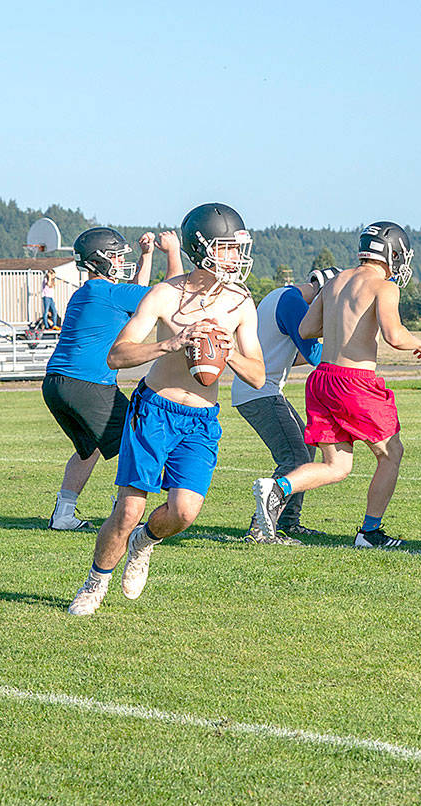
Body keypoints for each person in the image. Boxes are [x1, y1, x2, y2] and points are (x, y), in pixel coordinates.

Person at [67, 203, 265, 615]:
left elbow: (259, 375)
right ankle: (95, 582)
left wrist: (226, 354)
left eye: (237, 249)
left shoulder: (241, 302)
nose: (236, 258)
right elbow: (117, 355)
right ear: (201, 247)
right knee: (128, 510)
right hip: (154, 410)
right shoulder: (164, 295)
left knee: (184, 512)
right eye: (227, 248)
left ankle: (145, 541)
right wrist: (170, 344)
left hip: (201, 420)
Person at [252, 222, 421, 549]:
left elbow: (306, 328)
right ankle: (369, 532)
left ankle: (277, 489)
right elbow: (393, 334)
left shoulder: (334, 281)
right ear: (391, 253)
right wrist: (420, 342)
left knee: (337, 466)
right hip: (355, 382)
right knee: (391, 453)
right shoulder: (384, 286)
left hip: (321, 380)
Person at [42, 227, 180, 531]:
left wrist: (146, 257)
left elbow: (135, 301)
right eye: (116, 256)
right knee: (139, 438)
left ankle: (64, 513)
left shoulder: (90, 292)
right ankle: (126, 513)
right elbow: (168, 293)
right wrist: (171, 251)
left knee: (88, 449)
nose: (120, 262)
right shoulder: (109, 292)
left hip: (55, 384)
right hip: (87, 383)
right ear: (101, 259)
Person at [234, 267, 334, 544]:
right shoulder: (293, 302)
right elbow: (315, 354)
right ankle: (259, 529)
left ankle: (288, 522)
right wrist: (352, 349)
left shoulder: (283, 297)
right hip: (261, 392)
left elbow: (290, 356)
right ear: (323, 293)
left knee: (306, 447)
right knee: (295, 459)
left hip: (257, 391)